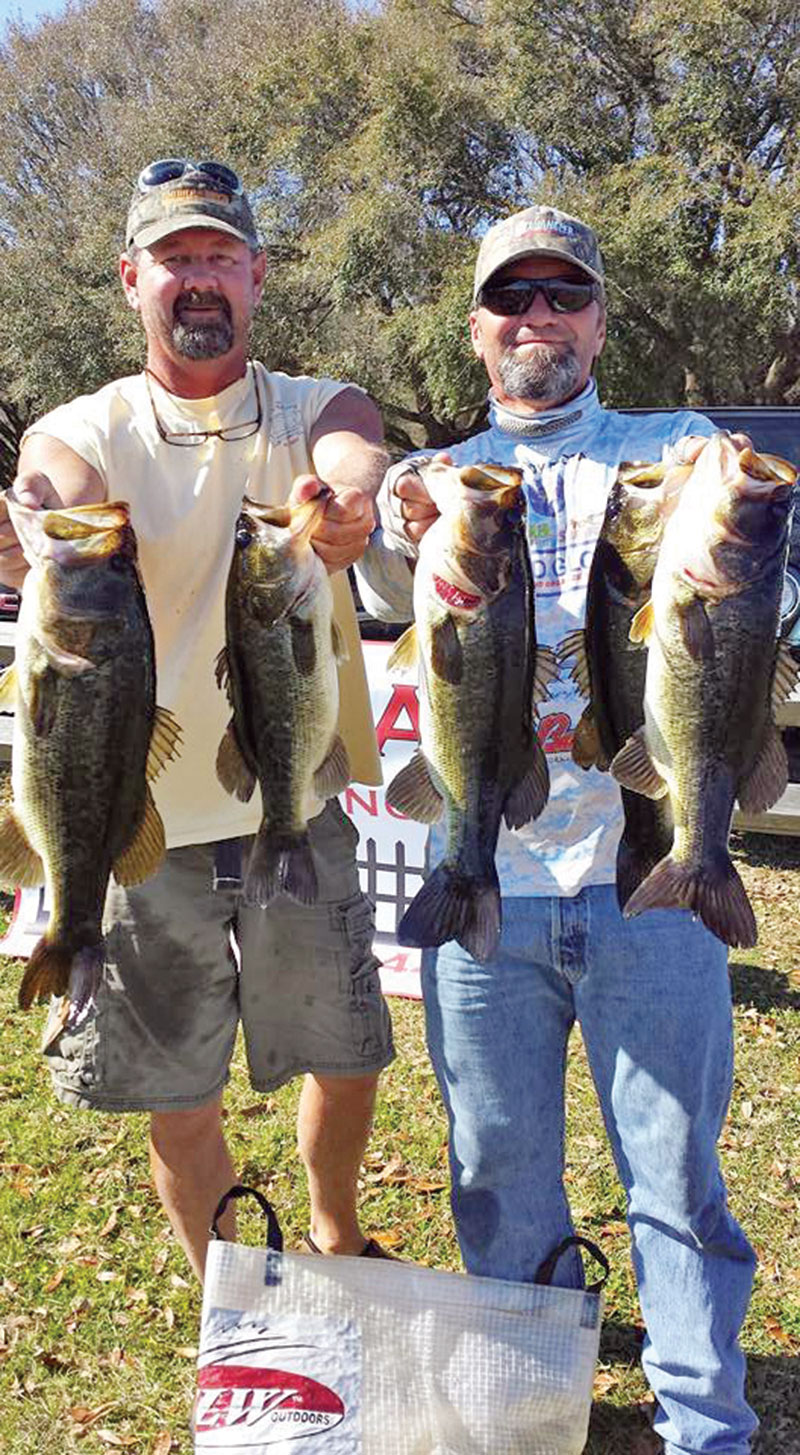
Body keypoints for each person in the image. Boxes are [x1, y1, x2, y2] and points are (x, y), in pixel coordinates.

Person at [357, 205, 758, 1454]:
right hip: (489, 881)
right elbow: (372, 589)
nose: (538, 319)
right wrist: (385, 526)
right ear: (475, 330)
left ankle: (704, 1428)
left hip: (647, 882)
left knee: (677, 1184)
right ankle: (534, 1418)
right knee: (495, 1178)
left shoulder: (675, 450)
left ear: (596, 318)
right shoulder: (436, 484)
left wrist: (737, 518)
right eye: (511, 299)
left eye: (563, 296)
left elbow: (762, 591)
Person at [0, 159, 395, 1280]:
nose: (199, 278)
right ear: (132, 281)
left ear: (259, 276)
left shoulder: (308, 405)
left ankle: (332, 1228)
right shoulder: (91, 425)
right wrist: (32, 519)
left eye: (219, 254)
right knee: (179, 1087)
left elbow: (352, 439)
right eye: (174, 259)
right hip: (130, 817)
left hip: (293, 797)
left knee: (347, 1048)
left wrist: (351, 493)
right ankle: (235, 1294)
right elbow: (50, 477)